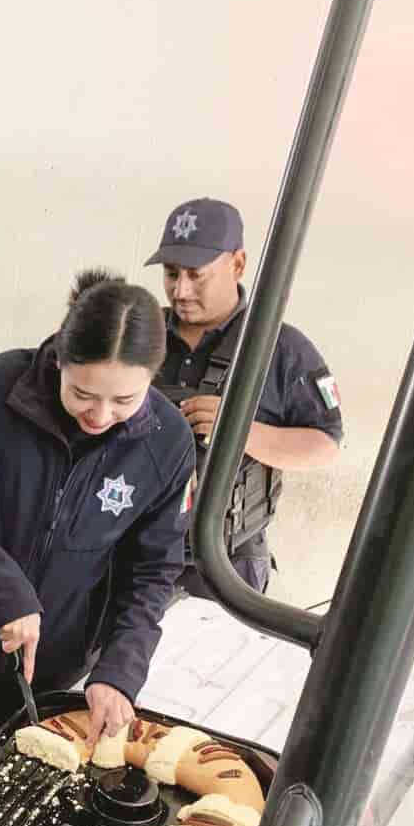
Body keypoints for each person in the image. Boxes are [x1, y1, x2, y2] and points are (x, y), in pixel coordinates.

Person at [0, 269, 195, 804]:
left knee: (6, 803)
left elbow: (151, 573)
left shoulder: (166, 443)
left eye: (124, 400)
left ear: (152, 377)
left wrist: (119, 672)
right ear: (60, 356)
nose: (100, 415)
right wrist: (5, 587)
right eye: (83, 393)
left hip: (51, 667)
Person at [146, 197, 344, 595]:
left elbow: (325, 444)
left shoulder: (280, 347)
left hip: (223, 565)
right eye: (171, 274)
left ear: (237, 264)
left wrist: (239, 430)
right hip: (131, 552)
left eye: (196, 274)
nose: (180, 290)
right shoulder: (138, 333)